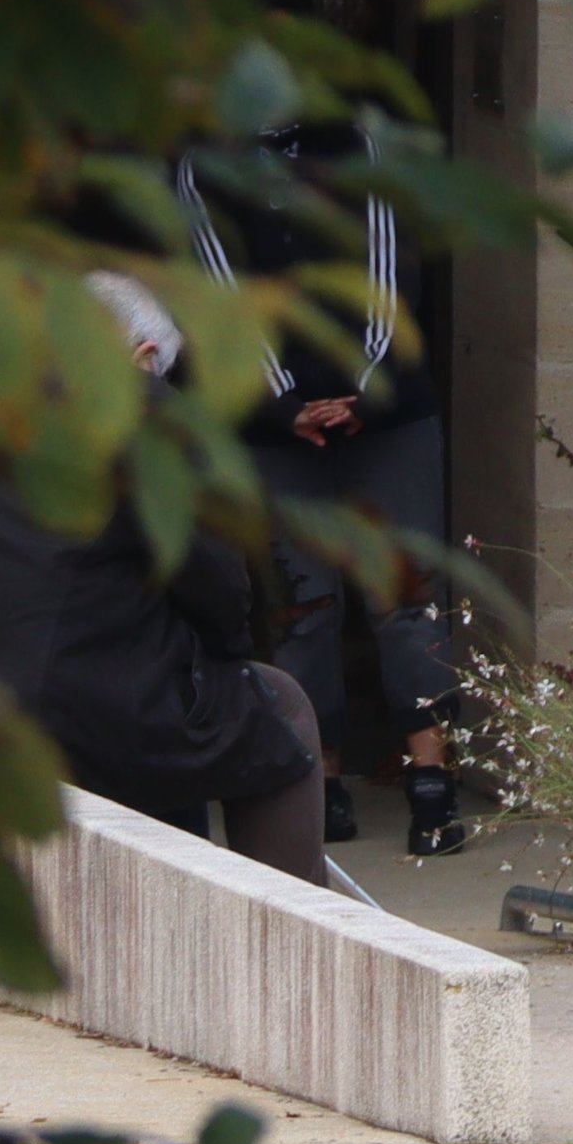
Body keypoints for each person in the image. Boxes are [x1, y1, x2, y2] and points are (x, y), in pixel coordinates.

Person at [0, 269, 332, 884]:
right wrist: (224, 658)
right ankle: (299, 926)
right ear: (142, 355)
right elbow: (220, 583)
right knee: (276, 706)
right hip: (73, 709)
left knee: (173, 687)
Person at [171, 124, 470, 856]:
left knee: (405, 594)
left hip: (387, 413)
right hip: (277, 428)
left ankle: (432, 780)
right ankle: (321, 780)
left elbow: (391, 274)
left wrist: (365, 393)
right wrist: (281, 403)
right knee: (300, 605)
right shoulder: (204, 161)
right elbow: (216, 290)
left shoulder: (364, 144)